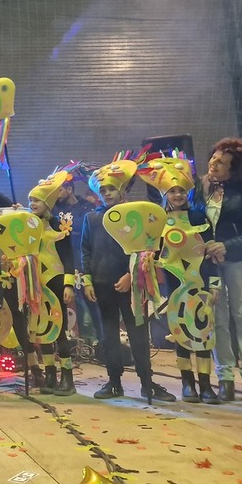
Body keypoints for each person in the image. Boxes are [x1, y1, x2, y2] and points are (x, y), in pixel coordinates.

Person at [80, 154, 176, 403]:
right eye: (103, 190)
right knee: (108, 334)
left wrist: (130, 275)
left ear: (122, 189)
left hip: (131, 284)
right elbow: (86, 250)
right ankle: (114, 382)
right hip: (101, 285)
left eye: (111, 188)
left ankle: (147, 382)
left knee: (138, 333)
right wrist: (88, 280)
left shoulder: (135, 214)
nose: (107, 193)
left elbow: (145, 249)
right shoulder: (92, 218)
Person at [193, 137, 242, 404]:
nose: (214, 164)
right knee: (216, 318)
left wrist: (227, 245)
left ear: (234, 168)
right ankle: (224, 378)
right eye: (213, 158)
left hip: (240, 259)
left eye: (222, 162)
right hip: (207, 262)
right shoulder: (199, 187)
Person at [138, 153, 221, 404]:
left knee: (203, 331)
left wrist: (215, 284)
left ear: (187, 193)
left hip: (201, 282)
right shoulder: (158, 220)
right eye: (172, 191)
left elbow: (211, 251)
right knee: (182, 330)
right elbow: (150, 251)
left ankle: (206, 385)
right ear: (165, 195)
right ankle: (188, 384)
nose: (177, 195)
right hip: (175, 285)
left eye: (180, 191)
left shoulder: (199, 217)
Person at [26, 171, 77, 396]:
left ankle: (67, 376)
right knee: (41, 330)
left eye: (36, 200)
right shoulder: (27, 225)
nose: (32, 204)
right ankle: (49, 375)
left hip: (56, 282)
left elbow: (68, 257)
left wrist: (68, 285)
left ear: (47, 202)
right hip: (35, 283)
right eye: (30, 201)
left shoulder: (60, 225)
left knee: (59, 330)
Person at [53, 172, 100, 342]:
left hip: (84, 264)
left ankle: (101, 344)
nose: (55, 195)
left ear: (69, 189)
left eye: (59, 190)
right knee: (65, 307)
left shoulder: (87, 208)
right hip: (62, 265)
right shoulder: (53, 209)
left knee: (93, 306)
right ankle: (68, 346)